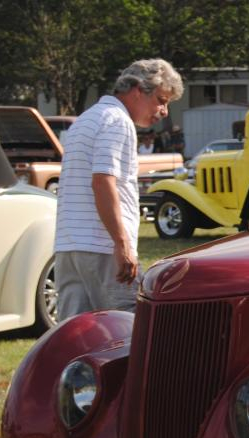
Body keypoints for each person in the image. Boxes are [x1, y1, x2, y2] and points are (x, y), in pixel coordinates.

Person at [54, 58, 183, 319]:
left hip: (69, 246)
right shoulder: (118, 121)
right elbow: (103, 181)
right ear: (138, 90)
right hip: (102, 247)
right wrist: (121, 243)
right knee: (126, 327)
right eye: (161, 99)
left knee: (74, 334)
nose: (164, 110)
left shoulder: (86, 119)